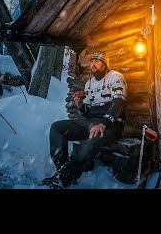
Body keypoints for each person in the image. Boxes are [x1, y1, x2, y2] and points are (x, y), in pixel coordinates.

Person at [44, 51, 127, 189]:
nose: (93, 64)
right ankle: (62, 170)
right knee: (57, 128)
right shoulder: (89, 83)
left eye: (97, 61)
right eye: (92, 61)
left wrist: (103, 124)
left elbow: (119, 102)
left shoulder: (115, 77)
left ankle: (65, 177)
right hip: (90, 122)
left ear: (105, 64)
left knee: (91, 140)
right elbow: (87, 110)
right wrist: (81, 106)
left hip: (110, 124)